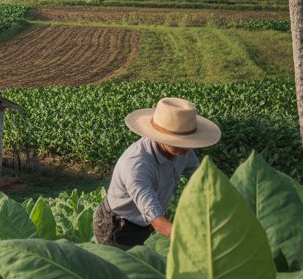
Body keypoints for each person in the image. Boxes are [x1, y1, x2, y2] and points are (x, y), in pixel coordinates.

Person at [94, 97, 220, 249]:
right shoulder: (137, 165)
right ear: (161, 138)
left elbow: (200, 177)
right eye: (179, 143)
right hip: (118, 227)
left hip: (144, 225)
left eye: (189, 142)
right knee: (122, 270)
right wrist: (194, 243)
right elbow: (157, 219)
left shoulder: (183, 150)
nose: (186, 149)